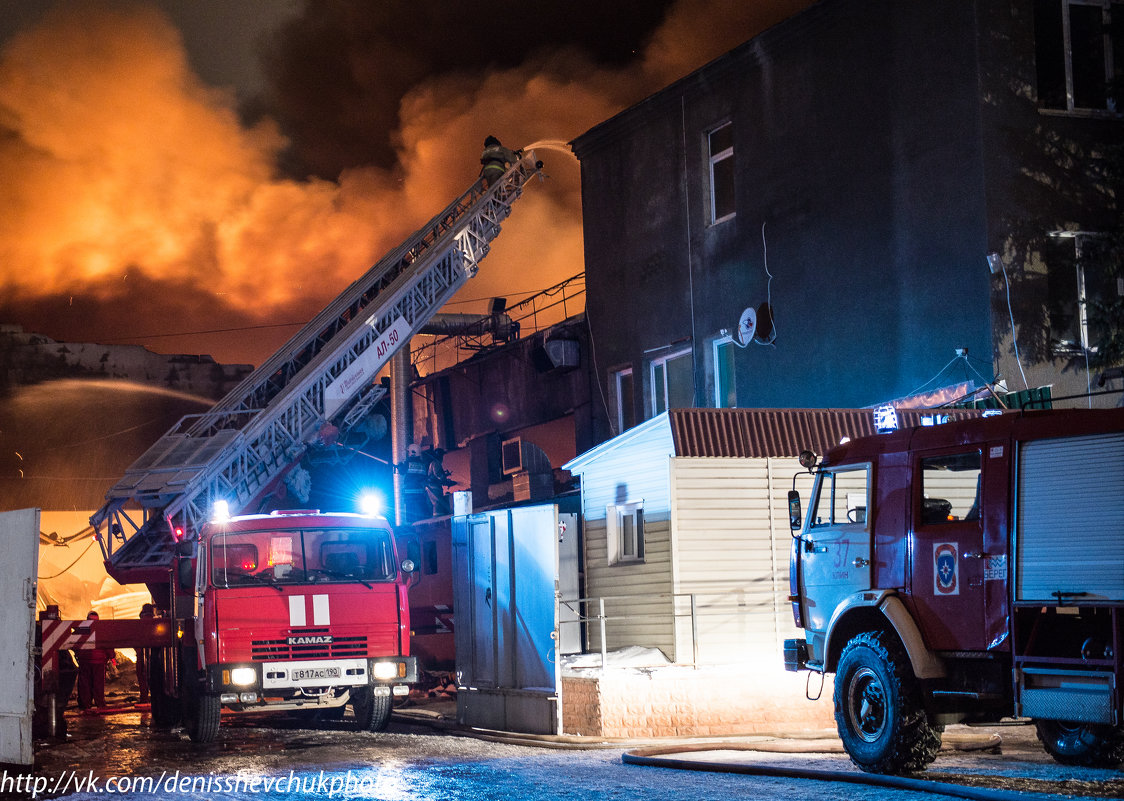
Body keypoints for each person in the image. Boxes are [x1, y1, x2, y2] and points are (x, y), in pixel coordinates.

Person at [76, 611, 110, 711]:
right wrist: (111, 656)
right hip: (98, 661)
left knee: (85, 684)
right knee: (98, 684)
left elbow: (74, 643)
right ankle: (100, 704)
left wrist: (78, 654)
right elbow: (108, 644)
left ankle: (86, 705)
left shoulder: (82, 629)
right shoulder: (102, 630)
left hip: (84, 661)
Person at [424, 448, 456, 516]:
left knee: (437, 504)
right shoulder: (436, 463)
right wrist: (445, 480)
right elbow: (438, 474)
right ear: (440, 456)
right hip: (434, 487)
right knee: (438, 504)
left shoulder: (433, 463)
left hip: (432, 487)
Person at [136, 603, 154, 704]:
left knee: (142, 676)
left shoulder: (140, 623)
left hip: (141, 654)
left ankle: (144, 698)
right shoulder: (156, 621)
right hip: (154, 655)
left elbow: (134, 638)